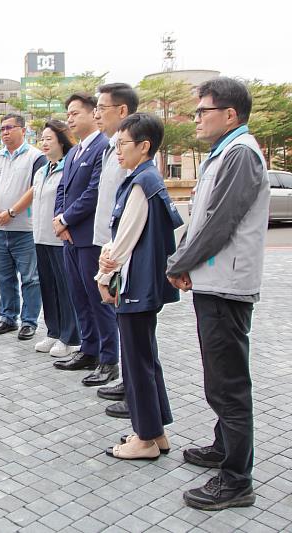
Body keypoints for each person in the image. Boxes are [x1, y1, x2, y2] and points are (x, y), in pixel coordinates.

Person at [166, 77, 270, 511]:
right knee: (219, 377)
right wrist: (187, 260)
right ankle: (223, 448)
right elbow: (203, 216)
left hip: (228, 286)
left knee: (228, 384)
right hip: (215, 281)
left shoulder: (241, 154)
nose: (196, 119)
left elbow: (219, 222)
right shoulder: (224, 153)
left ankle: (236, 479)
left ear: (229, 114)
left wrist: (180, 262)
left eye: (202, 111)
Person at [96, 113, 183, 460]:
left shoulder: (140, 185)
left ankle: (144, 438)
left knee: (135, 361)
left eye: (122, 144)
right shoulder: (151, 179)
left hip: (134, 285)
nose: (117, 150)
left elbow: (125, 239)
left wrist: (104, 277)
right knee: (145, 357)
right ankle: (155, 431)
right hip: (146, 284)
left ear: (144, 146)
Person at [52, 93, 119, 387]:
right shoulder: (74, 152)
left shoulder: (102, 149)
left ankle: (108, 359)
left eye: (75, 113)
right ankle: (88, 350)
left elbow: (94, 193)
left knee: (98, 300)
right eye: (68, 113)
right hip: (69, 237)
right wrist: (59, 219)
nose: (70, 118)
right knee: (79, 296)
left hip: (90, 237)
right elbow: (62, 190)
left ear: (94, 115)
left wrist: (66, 219)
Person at [91, 83, 140, 418]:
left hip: (121, 252)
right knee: (121, 319)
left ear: (122, 111)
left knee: (132, 326)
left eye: (102, 107)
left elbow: (130, 210)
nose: (97, 113)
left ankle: (131, 385)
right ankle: (126, 379)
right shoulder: (111, 148)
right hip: (108, 245)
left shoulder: (130, 151)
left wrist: (113, 258)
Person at [0, 114, 46, 341]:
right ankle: (8, 317)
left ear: (23, 130)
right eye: (2, 129)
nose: (5, 132)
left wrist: (12, 212)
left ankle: (29, 321)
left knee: (30, 278)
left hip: (25, 229)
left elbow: (35, 188)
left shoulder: (36, 157)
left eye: (10, 127)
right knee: (3, 276)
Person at [31, 120, 81, 358]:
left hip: (59, 238)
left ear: (62, 140)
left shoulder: (68, 168)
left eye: (49, 138)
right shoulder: (42, 170)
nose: (44, 142)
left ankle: (70, 336)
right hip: (40, 237)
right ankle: (53, 331)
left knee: (65, 289)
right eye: (42, 138)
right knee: (47, 287)